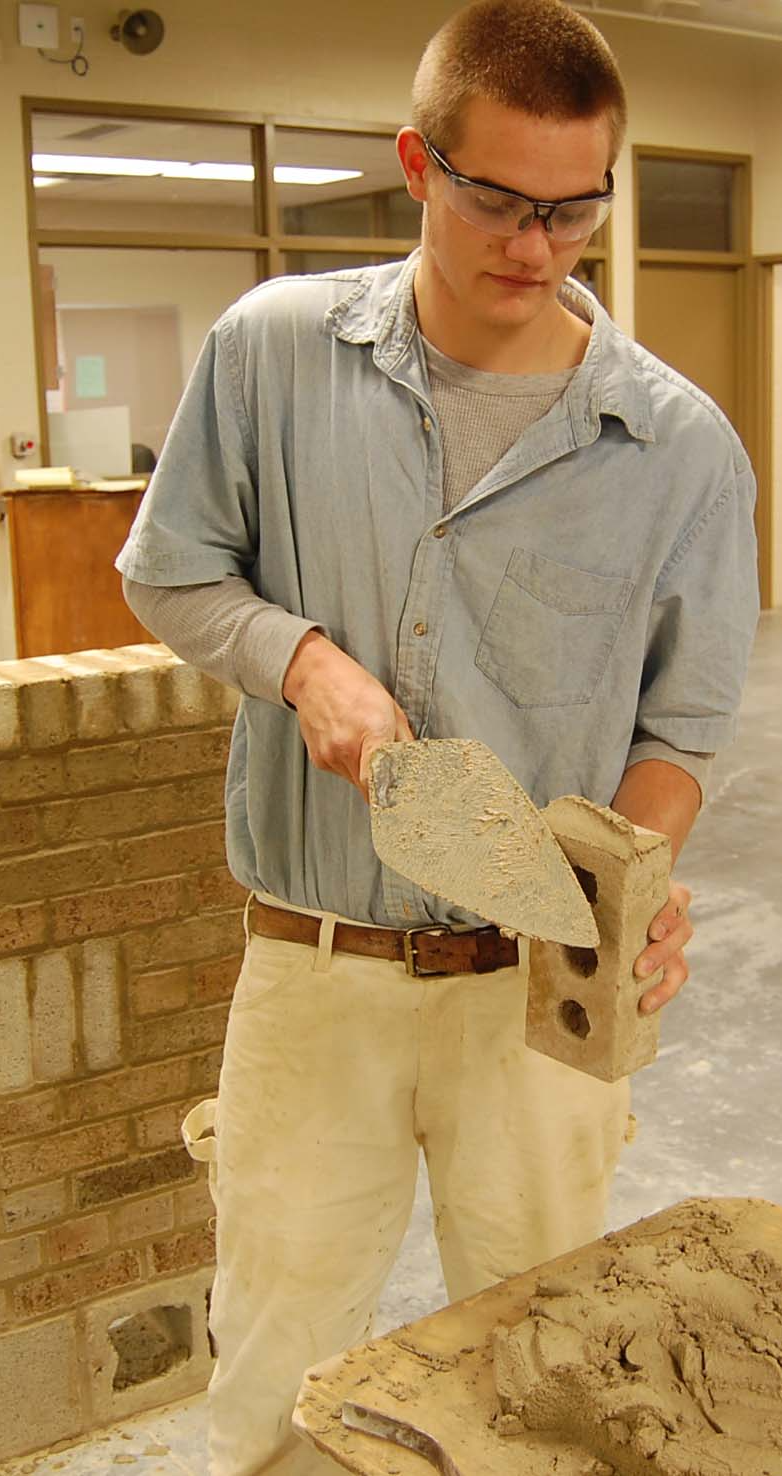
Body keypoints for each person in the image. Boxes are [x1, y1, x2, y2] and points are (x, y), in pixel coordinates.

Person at [115, 1, 760, 1470]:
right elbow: (170, 568)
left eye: (571, 210)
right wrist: (302, 664)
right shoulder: (274, 354)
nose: (532, 246)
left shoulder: (675, 448)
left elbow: (680, 730)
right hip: (313, 964)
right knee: (274, 1364)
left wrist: (624, 890)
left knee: (544, 1378)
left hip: (531, 999)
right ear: (418, 162)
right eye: (495, 200)